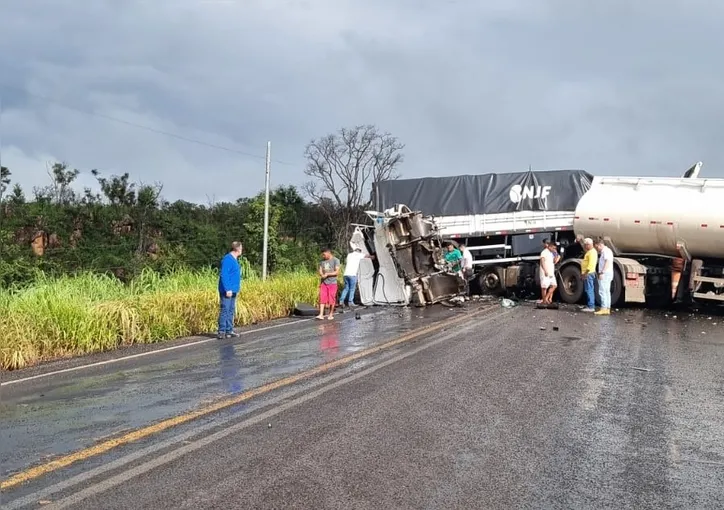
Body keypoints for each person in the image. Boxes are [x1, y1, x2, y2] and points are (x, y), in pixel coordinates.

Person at [217, 241, 243, 339]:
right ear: (237, 249)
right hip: (227, 290)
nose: (242, 250)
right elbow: (224, 275)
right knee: (225, 309)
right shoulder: (228, 259)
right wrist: (227, 289)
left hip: (233, 289)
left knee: (231, 310)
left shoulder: (234, 259)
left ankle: (229, 330)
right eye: (241, 248)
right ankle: (221, 330)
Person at [317, 248, 340, 320]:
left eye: (324, 254)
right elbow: (320, 270)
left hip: (332, 283)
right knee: (322, 298)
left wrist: (327, 274)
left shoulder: (336, 260)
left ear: (328, 253)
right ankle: (321, 314)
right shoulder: (322, 262)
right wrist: (321, 274)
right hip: (324, 282)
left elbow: (336, 272)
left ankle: (331, 314)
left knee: (331, 299)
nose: (323, 256)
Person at [594, 237, 614, 315]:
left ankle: (603, 308)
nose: (597, 249)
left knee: (602, 291)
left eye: (597, 247)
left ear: (600, 245)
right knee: (607, 291)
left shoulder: (605, 251)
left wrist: (602, 272)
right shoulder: (608, 251)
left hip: (605, 274)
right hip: (608, 273)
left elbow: (607, 261)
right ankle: (607, 308)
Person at [538, 239, 559, 305]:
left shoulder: (551, 253)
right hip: (545, 272)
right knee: (544, 287)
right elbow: (542, 262)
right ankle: (544, 300)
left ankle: (546, 298)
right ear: (549, 247)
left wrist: (556, 255)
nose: (554, 249)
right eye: (553, 248)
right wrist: (545, 270)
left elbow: (554, 261)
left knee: (554, 285)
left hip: (551, 272)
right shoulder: (544, 252)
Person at [580, 237, 597, 313]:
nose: (584, 246)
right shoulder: (591, 252)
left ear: (588, 245)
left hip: (588, 273)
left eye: (585, 245)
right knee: (588, 289)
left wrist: (585, 274)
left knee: (589, 289)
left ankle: (591, 306)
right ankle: (589, 305)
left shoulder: (592, 252)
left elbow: (590, 264)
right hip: (588, 273)